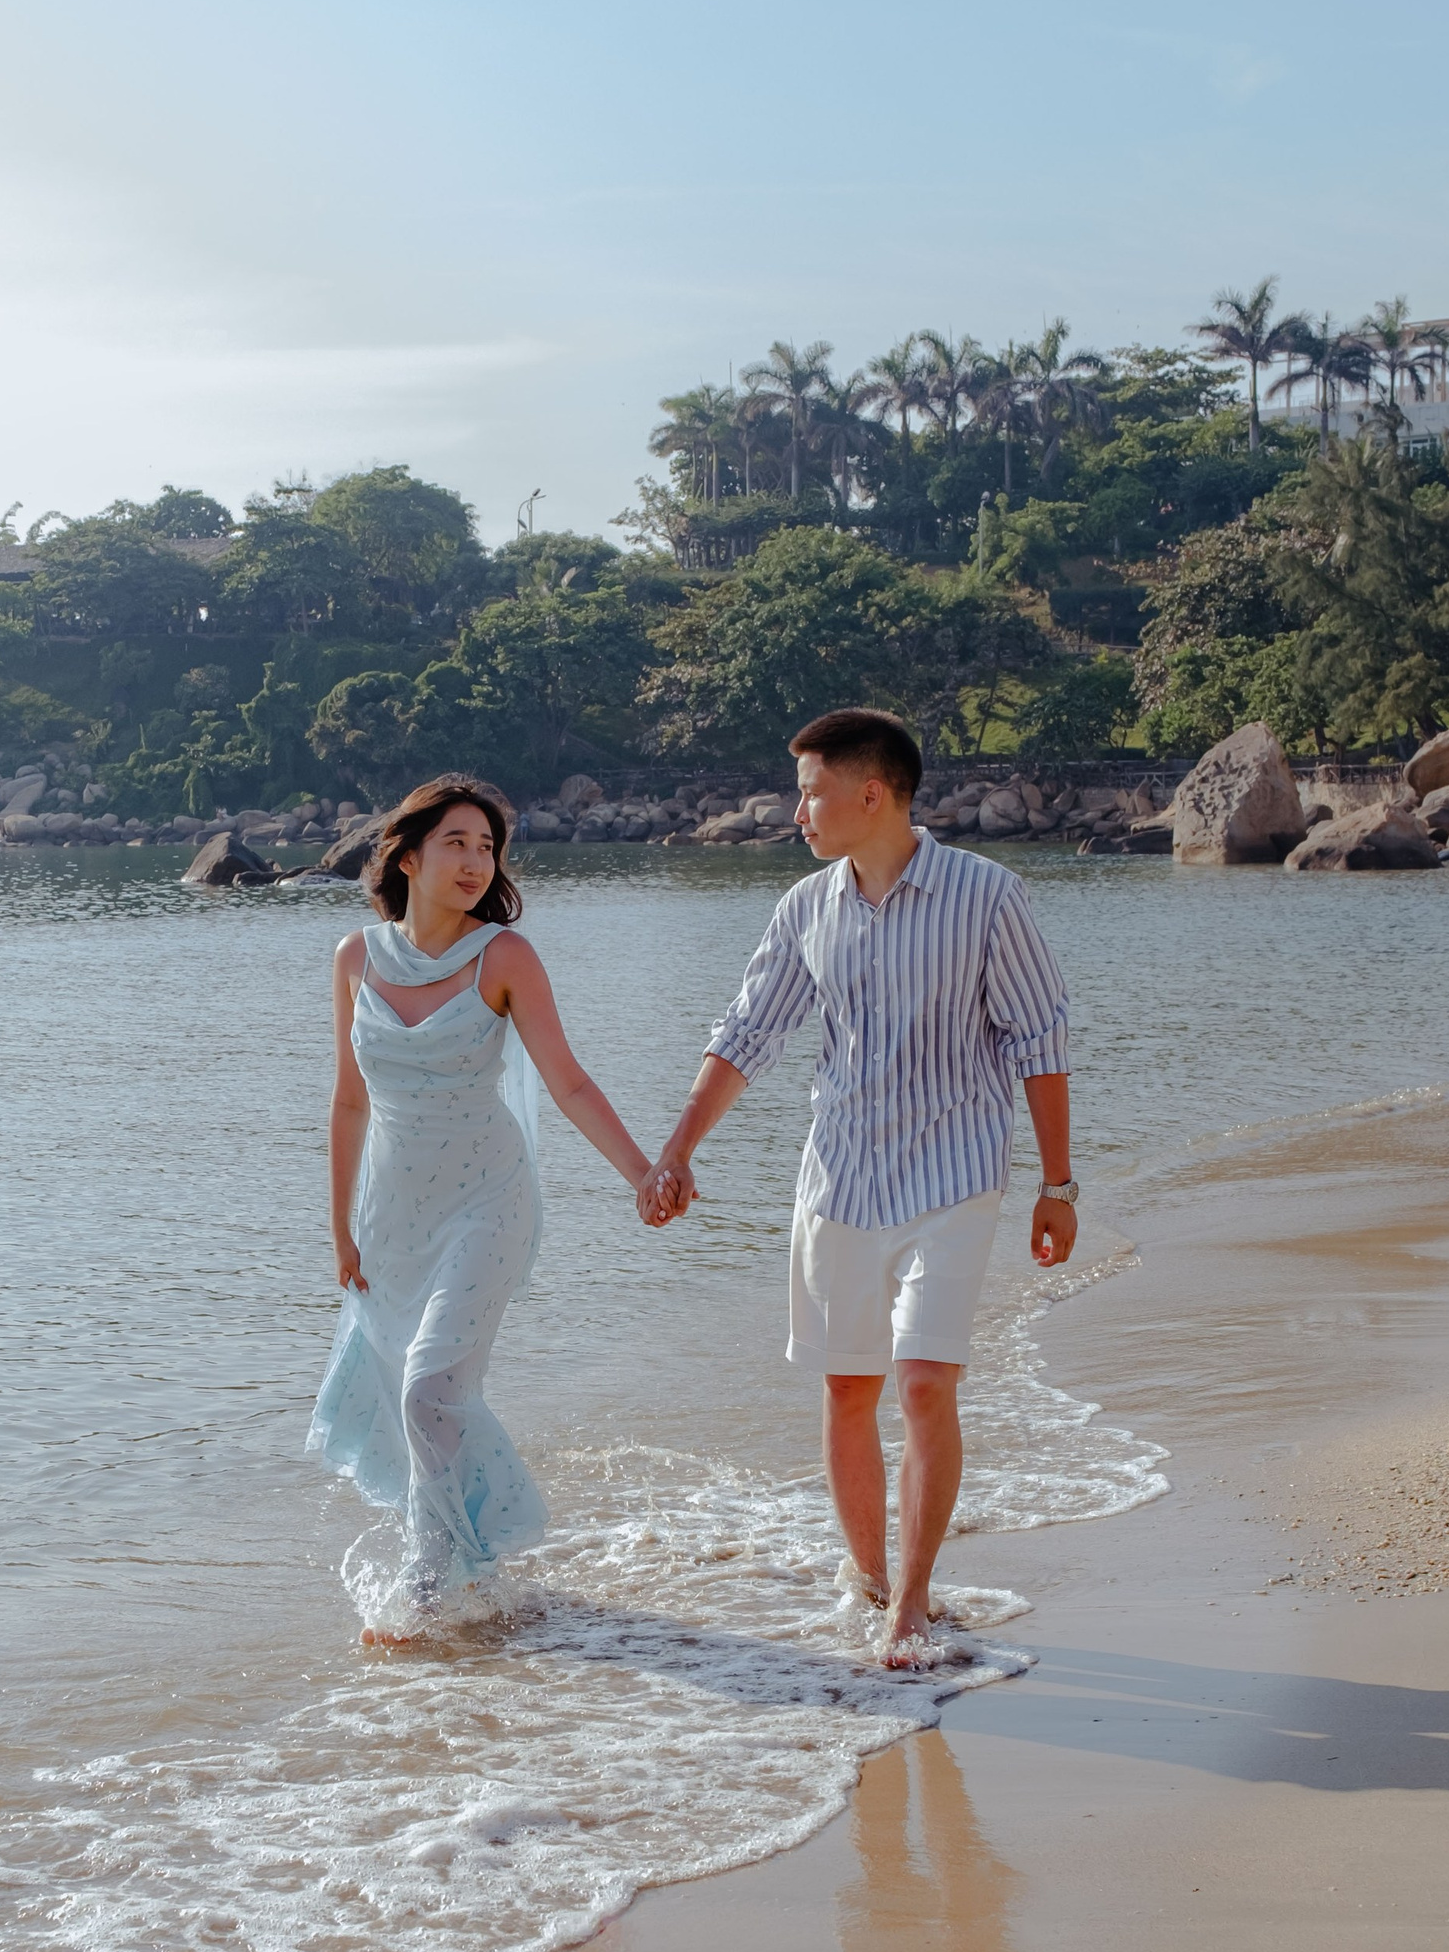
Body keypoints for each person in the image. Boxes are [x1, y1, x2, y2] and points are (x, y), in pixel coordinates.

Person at [641, 709, 1077, 1667]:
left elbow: (1042, 1041)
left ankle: (911, 1605)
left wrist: (1059, 1183)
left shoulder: (989, 896)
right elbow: (746, 1034)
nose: (797, 809)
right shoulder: (805, 908)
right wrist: (676, 1151)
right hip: (839, 1180)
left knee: (924, 1385)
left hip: (955, 1177)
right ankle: (872, 1578)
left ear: (870, 793)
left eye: (810, 790)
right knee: (849, 1392)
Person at [310, 774, 658, 1645]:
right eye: (458, 842)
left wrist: (642, 1173)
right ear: (409, 853)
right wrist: (338, 1223)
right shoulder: (355, 958)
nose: (476, 861)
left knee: (430, 1389)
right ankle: (472, 1571)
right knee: (411, 1399)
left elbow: (567, 1081)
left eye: (488, 846)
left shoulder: (504, 957)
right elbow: (349, 1102)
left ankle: (436, 1578)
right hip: (393, 1218)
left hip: (489, 1205)